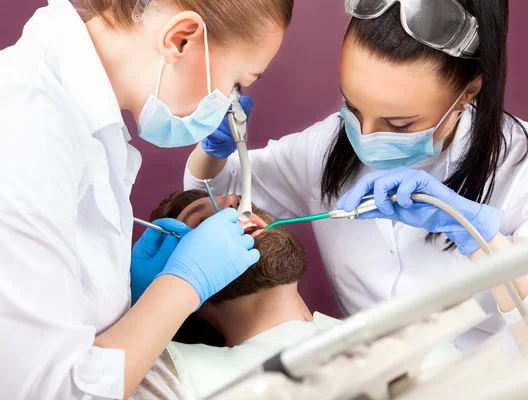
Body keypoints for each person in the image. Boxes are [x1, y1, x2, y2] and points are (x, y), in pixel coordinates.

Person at [0, 0, 294, 398]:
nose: (230, 104)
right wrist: (183, 284)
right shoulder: (13, 123)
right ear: (181, 39)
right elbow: (50, 392)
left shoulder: (79, 123)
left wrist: (129, 294)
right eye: (237, 82)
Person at [186, 0, 528, 352]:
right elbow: (219, 198)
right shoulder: (325, 147)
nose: (363, 136)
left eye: (398, 124)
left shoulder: (519, 167)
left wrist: (480, 238)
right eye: (351, 106)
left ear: (468, 92)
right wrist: (214, 149)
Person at [132, 190, 460, 400]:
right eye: (205, 221)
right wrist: (158, 302)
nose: (234, 204)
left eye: (237, 201)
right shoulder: (174, 373)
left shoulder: (407, 331)